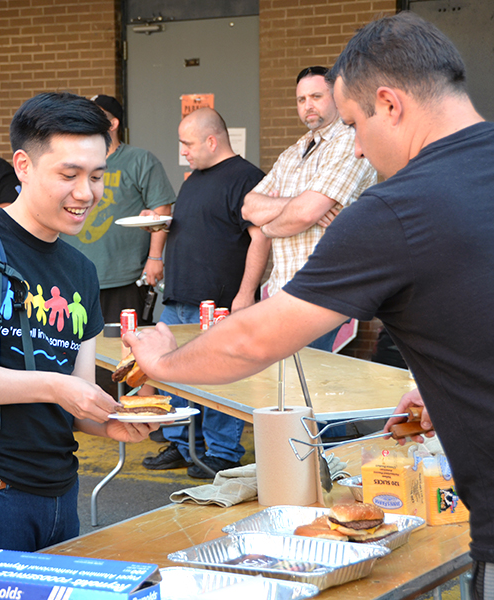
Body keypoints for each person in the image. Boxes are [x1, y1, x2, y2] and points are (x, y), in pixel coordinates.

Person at [125, 12, 494, 599]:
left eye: (353, 125)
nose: (360, 149)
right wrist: (448, 386)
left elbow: (255, 340)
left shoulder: (395, 208)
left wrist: (165, 363)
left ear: (389, 104)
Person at [0, 92, 156, 552]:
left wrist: (110, 421)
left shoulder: (81, 271)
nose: (86, 193)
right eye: (69, 174)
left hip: (61, 495)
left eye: (96, 176)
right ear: (23, 165)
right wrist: (54, 387)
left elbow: (75, 395)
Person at [140, 107, 268, 478]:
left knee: (218, 378)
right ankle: (183, 445)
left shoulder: (247, 178)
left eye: (187, 143)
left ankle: (223, 452)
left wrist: (246, 295)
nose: (183, 151)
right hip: (179, 298)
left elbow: (260, 238)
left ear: (212, 140)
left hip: (218, 301)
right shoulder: (193, 178)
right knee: (170, 376)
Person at [242, 65, 377, 351]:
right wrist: (298, 204)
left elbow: (306, 213)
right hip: (283, 292)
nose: (308, 105)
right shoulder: (293, 152)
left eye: (316, 96)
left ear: (337, 97)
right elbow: (248, 207)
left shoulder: (350, 142)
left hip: (324, 291)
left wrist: (269, 225)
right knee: (286, 386)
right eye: (301, 99)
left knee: (304, 386)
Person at [62, 94, 175, 326]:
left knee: (124, 349)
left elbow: (161, 208)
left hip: (124, 277)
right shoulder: (70, 161)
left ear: (113, 124)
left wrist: (155, 257)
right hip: (73, 275)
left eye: (95, 115)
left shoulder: (140, 160)